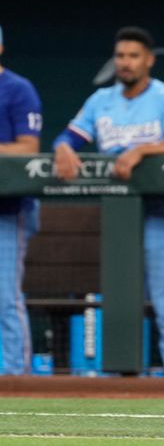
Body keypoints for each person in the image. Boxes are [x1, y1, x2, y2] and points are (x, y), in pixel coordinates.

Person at [53, 26, 164, 377]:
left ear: (148, 60)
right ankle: (121, 378)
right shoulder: (101, 100)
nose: (125, 62)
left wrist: (143, 149)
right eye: (120, 56)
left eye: (133, 56)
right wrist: (61, 146)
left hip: (162, 208)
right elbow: (71, 136)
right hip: (119, 212)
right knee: (120, 296)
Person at [0, 25, 43, 375]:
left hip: (8, 208)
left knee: (4, 297)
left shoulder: (17, 88)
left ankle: (15, 379)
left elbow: (28, 148)